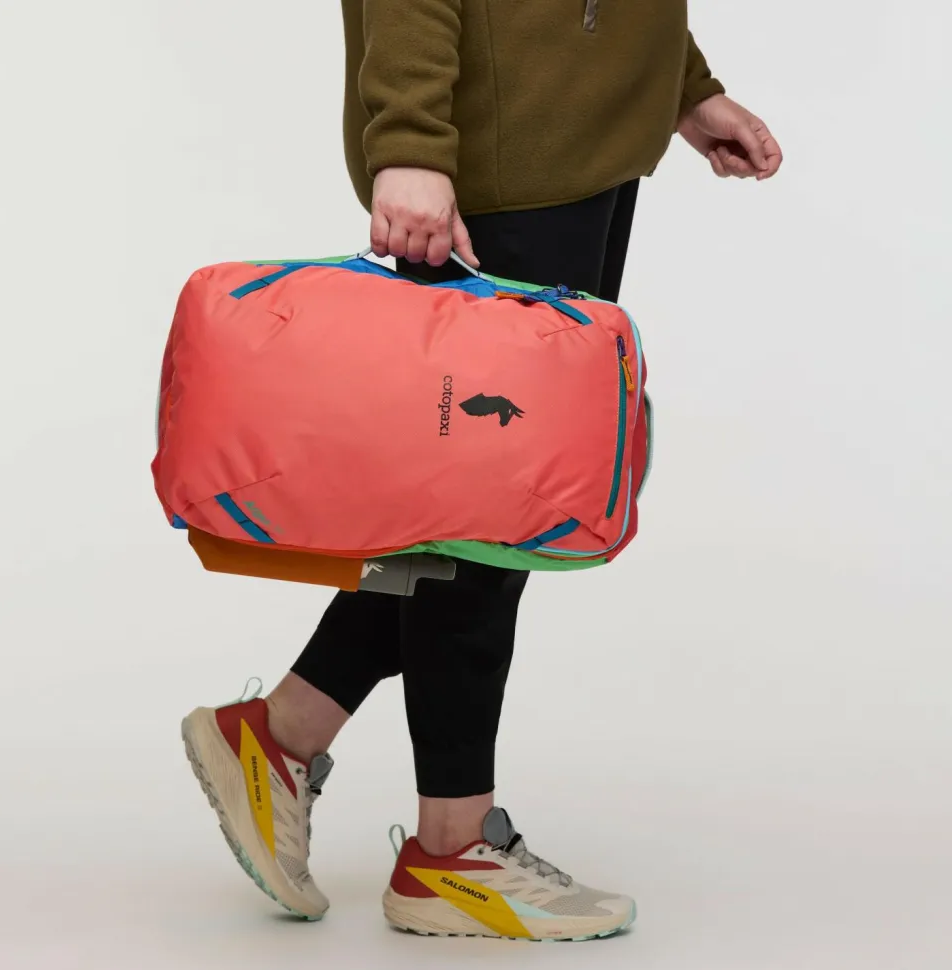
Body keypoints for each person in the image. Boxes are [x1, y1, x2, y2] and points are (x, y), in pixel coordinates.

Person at [181, 0, 783, 942]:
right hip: (506, 158)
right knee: (492, 522)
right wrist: (409, 142)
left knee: (487, 513)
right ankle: (450, 848)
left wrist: (682, 85)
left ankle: (281, 735)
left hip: (583, 143)